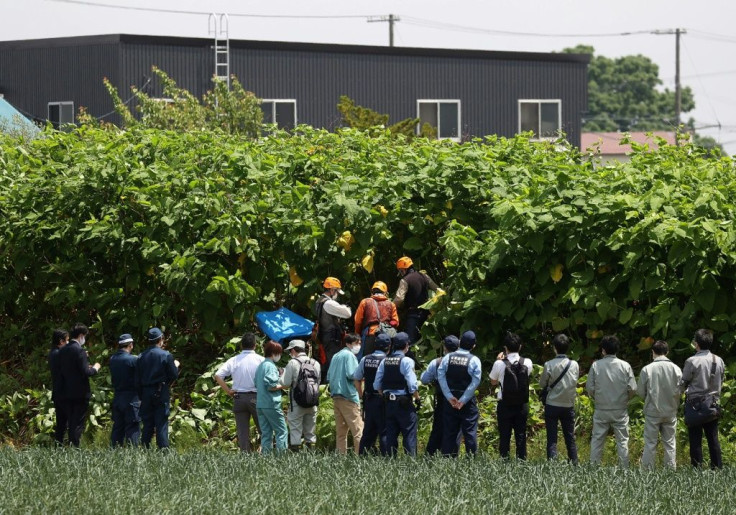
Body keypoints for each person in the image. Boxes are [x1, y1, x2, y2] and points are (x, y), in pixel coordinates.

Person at [586, 334, 636, 467]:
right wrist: (625, 399)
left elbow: (590, 388)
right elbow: (632, 388)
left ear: (603, 350)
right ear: (617, 349)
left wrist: (597, 398)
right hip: (620, 409)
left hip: (601, 408)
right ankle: (624, 469)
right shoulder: (625, 366)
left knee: (597, 439)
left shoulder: (596, 365)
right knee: (622, 441)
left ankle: (593, 468)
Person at [679, 329, 725, 469]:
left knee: (695, 439)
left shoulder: (692, 361)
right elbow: (721, 380)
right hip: (712, 404)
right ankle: (717, 468)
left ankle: (697, 469)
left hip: (695, 405)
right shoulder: (718, 360)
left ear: (696, 344)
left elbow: (683, 382)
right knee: (713, 438)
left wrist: (681, 392)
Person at [214, 332, 264, 452]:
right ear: (255, 345)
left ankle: (245, 456)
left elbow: (218, 375)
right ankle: (265, 453)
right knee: (263, 428)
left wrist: (228, 391)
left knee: (242, 431)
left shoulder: (234, 360)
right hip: (256, 397)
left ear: (241, 346)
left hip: (238, 397)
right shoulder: (261, 360)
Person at [637, 340, 682, 469]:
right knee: (670, 443)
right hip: (671, 411)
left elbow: (640, 392)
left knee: (650, 443)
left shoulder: (647, 369)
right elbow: (681, 390)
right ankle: (670, 471)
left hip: (652, 411)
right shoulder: (676, 369)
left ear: (653, 352)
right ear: (667, 352)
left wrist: (649, 399)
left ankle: (647, 471)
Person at [374, 332, 420, 456]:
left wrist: (384, 395)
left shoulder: (385, 361)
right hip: (404, 402)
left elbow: (377, 384)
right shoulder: (407, 361)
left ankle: (390, 463)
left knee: (391, 435)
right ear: (406, 345)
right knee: (409, 434)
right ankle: (411, 464)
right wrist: (417, 398)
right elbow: (412, 384)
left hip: (389, 402)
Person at [437, 331, 482, 457]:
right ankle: (471, 461)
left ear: (460, 342)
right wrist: (463, 400)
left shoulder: (447, 358)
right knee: (470, 432)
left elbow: (441, 377)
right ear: (474, 346)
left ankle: (447, 460)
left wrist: (449, 397)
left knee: (449, 432)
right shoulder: (474, 360)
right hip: (467, 403)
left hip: (450, 401)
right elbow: (475, 382)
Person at [489, 332, 533, 460]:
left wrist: (499, 361)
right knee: (520, 435)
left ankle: (504, 461)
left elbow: (493, 381)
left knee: (504, 435)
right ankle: (521, 462)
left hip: (504, 404)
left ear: (505, 348)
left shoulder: (499, 364)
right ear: (520, 346)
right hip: (521, 404)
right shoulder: (528, 362)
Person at [57, 323, 101, 447]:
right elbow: (86, 372)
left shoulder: (63, 350)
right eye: (85, 336)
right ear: (81, 335)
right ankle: (75, 447)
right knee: (78, 423)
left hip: (67, 391)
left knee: (71, 421)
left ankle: (70, 444)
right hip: (80, 393)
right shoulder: (79, 350)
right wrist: (96, 368)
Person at [135, 327, 179, 449]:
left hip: (145, 392)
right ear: (160, 339)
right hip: (161, 391)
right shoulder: (166, 355)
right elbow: (174, 375)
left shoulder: (140, 356)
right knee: (161, 423)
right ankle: (163, 451)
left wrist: (141, 396)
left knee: (147, 423)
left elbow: (137, 380)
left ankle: (144, 448)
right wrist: (176, 365)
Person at [539, 334, 580, 463]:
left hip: (552, 404)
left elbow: (542, 384)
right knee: (569, 436)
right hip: (568, 404)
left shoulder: (549, 364)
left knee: (552, 437)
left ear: (554, 348)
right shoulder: (574, 365)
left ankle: (552, 463)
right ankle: (574, 461)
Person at [421, 335, 460, 456]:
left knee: (438, 428)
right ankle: (451, 456)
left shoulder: (437, 362)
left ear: (444, 348)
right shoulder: (466, 361)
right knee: (456, 430)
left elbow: (424, 379)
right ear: (458, 347)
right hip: (459, 401)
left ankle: (430, 456)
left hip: (443, 401)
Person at [279, 339, 320, 451]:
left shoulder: (292, 363)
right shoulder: (316, 363)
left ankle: (296, 457)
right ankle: (311, 456)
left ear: (293, 350)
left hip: (297, 403)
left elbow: (285, 383)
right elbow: (318, 382)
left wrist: (282, 375)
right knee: (310, 431)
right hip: (312, 402)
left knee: (295, 430)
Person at [326, 333, 364, 454]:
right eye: (356, 343)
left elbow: (328, 376)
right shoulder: (349, 356)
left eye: (359, 343)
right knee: (358, 430)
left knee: (341, 432)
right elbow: (353, 375)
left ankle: (341, 457)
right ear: (348, 344)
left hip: (336, 396)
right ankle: (360, 457)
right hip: (348, 396)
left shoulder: (336, 356)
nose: (358, 346)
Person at [354, 332, 390, 455]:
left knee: (368, 429)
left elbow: (357, 378)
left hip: (369, 398)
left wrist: (360, 394)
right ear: (389, 346)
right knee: (384, 430)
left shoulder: (365, 359)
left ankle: (363, 456)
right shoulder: (387, 361)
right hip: (383, 399)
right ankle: (386, 458)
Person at [394, 257, 439, 345]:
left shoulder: (405, 280)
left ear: (403, 270)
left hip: (413, 314)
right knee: (427, 339)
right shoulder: (424, 276)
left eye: (400, 271)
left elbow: (399, 299)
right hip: (427, 313)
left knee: (410, 341)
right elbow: (437, 289)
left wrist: (391, 306)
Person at [314, 276, 352, 380]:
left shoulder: (319, 301)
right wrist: (346, 307)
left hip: (325, 336)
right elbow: (348, 313)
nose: (337, 295)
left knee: (327, 361)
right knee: (333, 363)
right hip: (331, 338)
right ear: (331, 290)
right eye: (337, 292)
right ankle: (332, 386)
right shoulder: (329, 303)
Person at [254, 340, 288, 455]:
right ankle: (281, 458)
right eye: (279, 353)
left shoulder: (261, 366)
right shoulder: (270, 366)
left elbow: (256, 383)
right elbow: (271, 386)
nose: (279, 356)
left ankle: (266, 458)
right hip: (271, 404)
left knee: (266, 433)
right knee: (282, 431)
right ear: (273, 353)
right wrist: (284, 385)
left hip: (260, 404)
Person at [109, 333, 140, 447]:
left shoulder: (112, 359)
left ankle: (114, 451)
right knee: (132, 427)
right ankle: (133, 452)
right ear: (130, 345)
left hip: (118, 397)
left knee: (118, 427)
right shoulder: (133, 360)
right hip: (132, 398)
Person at [354, 281, 399, 359]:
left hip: (369, 333)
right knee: (385, 361)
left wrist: (358, 335)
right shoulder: (391, 304)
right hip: (385, 336)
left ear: (372, 291)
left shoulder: (365, 302)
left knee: (364, 360)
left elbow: (358, 321)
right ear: (385, 293)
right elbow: (396, 322)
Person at [48, 328, 69, 446]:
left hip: (58, 393)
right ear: (61, 341)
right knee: (64, 423)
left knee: (61, 423)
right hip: (63, 393)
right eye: (67, 341)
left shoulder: (53, 353)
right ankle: (61, 445)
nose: (67, 343)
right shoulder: (58, 354)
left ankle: (58, 446)